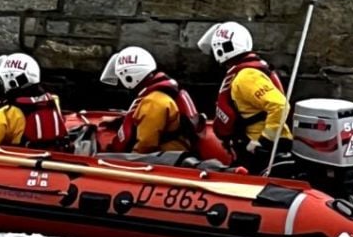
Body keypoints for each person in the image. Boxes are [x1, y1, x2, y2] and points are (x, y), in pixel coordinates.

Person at [197, 22, 293, 174]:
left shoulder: (246, 77)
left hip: (262, 150)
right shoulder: (244, 73)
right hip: (251, 147)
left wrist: (263, 142)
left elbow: (280, 105)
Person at [99, 46, 204, 154]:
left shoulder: (153, 102)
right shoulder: (158, 95)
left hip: (165, 158)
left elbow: (145, 145)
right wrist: (120, 122)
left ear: (129, 76)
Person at [0, 53, 69, 150]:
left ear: (11, 80)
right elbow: (18, 107)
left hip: (21, 161)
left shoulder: (4, 114)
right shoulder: (53, 100)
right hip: (52, 155)